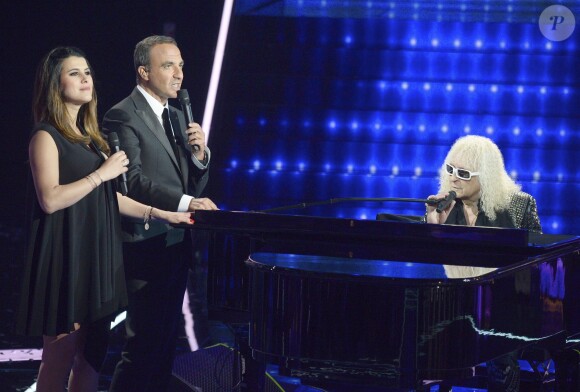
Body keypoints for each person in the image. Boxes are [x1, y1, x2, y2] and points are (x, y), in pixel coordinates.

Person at [15, 46, 194, 392]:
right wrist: (103, 173)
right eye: (74, 73)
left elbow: (109, 199)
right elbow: (50, 198)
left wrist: (161, 214)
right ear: (55, 83)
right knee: (59, 358)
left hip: (99, 261)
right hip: (67, 261)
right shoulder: (45, 136)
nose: (85, 79)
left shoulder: (92, 139)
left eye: (88, 72)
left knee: (91, 358)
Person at [102, 35, 218, 392]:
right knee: (142, 346)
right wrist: (185, 203)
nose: (179, 73)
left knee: (166, 345)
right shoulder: (123, 115)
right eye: (168, 65)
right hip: (144, 243)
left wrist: (200, 158)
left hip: (176, 242)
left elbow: (190, 185)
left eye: (181, 64)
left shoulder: (179, 113)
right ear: (144, 72)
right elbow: (131, 181)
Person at [425, 134, 542, 392]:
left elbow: (536, 264)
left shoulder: (519, 205)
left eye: (464, 173)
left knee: (500, 346)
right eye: (450, 170)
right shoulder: (443, 205)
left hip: (505, 306)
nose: (454, 178)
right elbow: (427, 267)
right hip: (451, 304)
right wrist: (435, 228)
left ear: (486, 175)